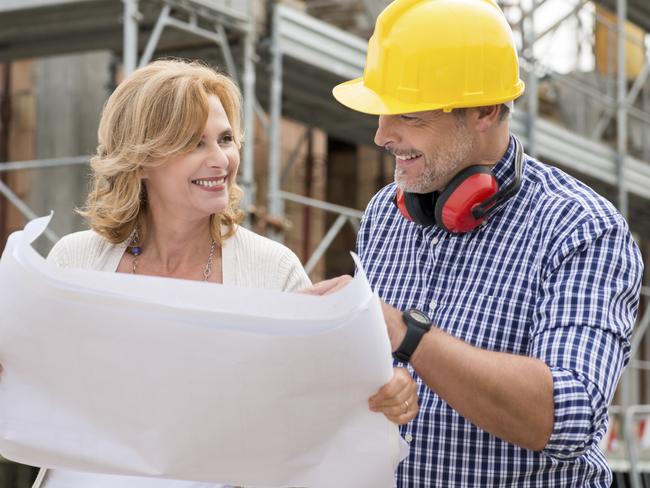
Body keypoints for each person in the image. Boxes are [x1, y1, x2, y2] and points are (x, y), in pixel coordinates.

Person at [0, 59, 418, 488]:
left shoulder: (272, 271)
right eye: (194, 144)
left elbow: (322, 403)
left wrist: (388, 389)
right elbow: (31, 383)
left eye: (225, 140)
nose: (221, 160)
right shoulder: (76, 261)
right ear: (141, 161)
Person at [305, 0, 644, 486]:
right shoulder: (387, 210)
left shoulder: (582, 229)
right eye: (382, 112)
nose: (382, 135)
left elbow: (565, 418)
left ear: (485, 110)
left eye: (410, 116)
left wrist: (409, 336)